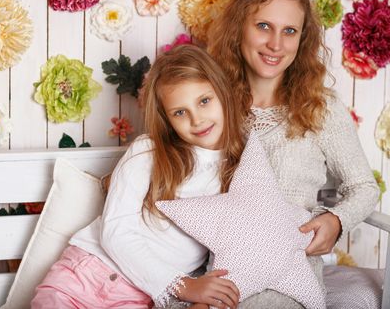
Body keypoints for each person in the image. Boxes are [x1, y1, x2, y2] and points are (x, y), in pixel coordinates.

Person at [207, 0, 380, 308]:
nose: (276, 44)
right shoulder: (210, 101)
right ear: (239, 27)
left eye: (289, 31)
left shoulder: (320, 108)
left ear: (302, 39)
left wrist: (336, 220)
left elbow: (365, 187)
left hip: (288, 275)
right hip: (215, 269)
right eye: (263, 26)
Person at [31, 45, 244, 309]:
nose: (197, 119)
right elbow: (115, 231)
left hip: (137, 295)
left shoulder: (241, 172)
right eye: (180, 112)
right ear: (166, 119)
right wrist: (183, 286)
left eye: (204, 101)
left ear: (222, 93)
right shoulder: (148, 152)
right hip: (85, 274)